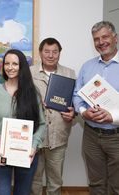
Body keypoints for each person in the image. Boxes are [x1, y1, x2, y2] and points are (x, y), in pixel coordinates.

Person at [0, 49, 46, 195]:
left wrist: (33, 147)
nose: (10, 67)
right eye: (7, 63)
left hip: (26, 154)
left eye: (15, 64)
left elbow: (41, 124)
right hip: (0, 154)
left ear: (22, 66)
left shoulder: (32, 92)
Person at [73, 21, 119, 195]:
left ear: (115, 38)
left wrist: (112, 117)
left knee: (116, 186)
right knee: (96, 184)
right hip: (91, 135)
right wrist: (84, 112)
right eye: (96, 39)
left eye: (105, 37)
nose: (101, 42)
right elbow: (77, 94)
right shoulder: (87, 66)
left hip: (116, 136)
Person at [30, 38, 76, 195]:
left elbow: (74, 100)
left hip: (58, 136)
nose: (50, 55)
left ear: (59, 53)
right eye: (47, 51)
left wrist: (73, 112)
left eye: (54, 52)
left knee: (55, 181)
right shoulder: (29, 73)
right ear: (40, 53)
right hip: (35, 136)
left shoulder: (69, 74)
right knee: (34, 180)